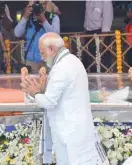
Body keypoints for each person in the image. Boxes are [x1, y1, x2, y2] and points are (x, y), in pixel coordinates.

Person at [21, 32, 103, 165]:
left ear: (52, 49)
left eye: (42, 53)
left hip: (69, 132)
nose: (42, 57)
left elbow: (49, 102)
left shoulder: (61, 68)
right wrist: (42, 92)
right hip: (77, 128)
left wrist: (35, 93)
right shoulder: (73, 60)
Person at [14, 1, 60, 73]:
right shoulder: (28, 18)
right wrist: (25, 16)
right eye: (38, 4)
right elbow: (17, 33)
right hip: (31, 62)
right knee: (32, 83)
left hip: (48, 61)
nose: (41, 6)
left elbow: (56, 36)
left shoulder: (53, 17)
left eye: (44, 4)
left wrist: (44, 21)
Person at [84, 1, 113, 72]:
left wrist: (102, 39)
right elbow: (87, 16)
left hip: (101, 33)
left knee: (102, 60)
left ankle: (103, 80)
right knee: (90, 60)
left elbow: (107, 18)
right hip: (88, 33)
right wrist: (84, 32)